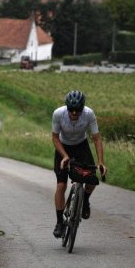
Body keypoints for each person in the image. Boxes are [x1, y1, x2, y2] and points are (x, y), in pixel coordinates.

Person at [52, 90, 107, 238]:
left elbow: (96, 138)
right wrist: (65, 156)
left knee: (92, 178)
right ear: (67, 107)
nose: (74, 113)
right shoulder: (58, 114)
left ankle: (85, 200)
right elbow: (55, 137)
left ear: (83, 108)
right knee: (61, 185)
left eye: (78, 110)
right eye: (71, 109)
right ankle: (59, 223)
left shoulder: (89, 114)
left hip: (81, 146)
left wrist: (101, 162)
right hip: (63, 147)